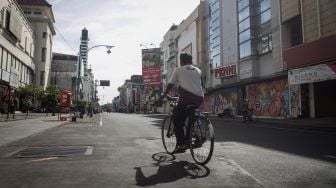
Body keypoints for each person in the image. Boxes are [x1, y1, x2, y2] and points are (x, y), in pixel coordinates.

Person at [159, 52, 204, 153]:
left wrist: (163, 95)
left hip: (186, 99)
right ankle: (193, 136)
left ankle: (182, 144)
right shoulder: (198, 70)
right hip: (199, 98)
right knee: (191, 118)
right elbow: (198, 85)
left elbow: (170, 85)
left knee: (177, 121)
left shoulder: (178, 70)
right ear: (191, 61)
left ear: (181, 61)